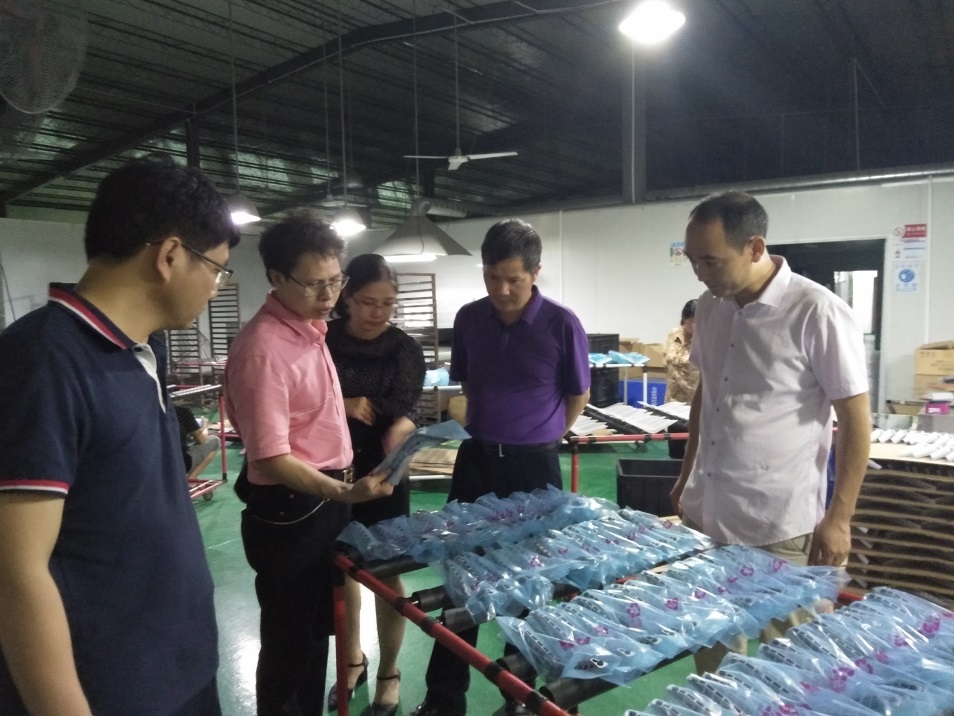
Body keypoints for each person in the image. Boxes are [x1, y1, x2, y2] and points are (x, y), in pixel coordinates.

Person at [0, 156, 238, 715]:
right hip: (111, 688)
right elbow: (15, 571)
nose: (215, 287)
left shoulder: (141, 350)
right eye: (216, 269)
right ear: (169, 256)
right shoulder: (43, 361)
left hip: (177, 667)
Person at [669, 190, 871, 673]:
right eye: (693, 261)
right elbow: (706, 396)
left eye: (711, 261)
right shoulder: (710, 305)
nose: (700, 273)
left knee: (794, 662)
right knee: (715, 652)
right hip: (708, 514)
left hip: (777, 524)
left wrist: (840, 517)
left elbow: (856, 417)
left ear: (755, 248)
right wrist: (686, 476)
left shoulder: (816, 311)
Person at [410, 219, 591, 716]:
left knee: (531, 582)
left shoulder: (561, 324)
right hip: (477, 462)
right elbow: (468, 386)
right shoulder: (470, 319)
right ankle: (444, 698)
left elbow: (577, 394)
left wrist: (543, 435)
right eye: (492, 277)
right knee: (459, 578)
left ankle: (520, 697)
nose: (502, 289)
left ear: (535, 272)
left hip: (535, 468)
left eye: (513, 279)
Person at [224, 212, 394, 716]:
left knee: (318, 632)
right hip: (292, 510)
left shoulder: (308, 330)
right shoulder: (264, 348)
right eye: (315, 284)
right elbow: (270, 457)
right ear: (276, 278)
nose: (329, 295)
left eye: (336, 280)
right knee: (290, 646)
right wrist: (342, 491)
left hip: (321, 504)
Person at [324, 253, 426, 716]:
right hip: (331, 469)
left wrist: (404, 424)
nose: (378, 313)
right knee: (342, 566)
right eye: (368, 302)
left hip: (385, 470)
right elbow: (303, 395)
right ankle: (351, 660)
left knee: (386, 569)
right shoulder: (322, 339)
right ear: (346, 297)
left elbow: (405, 405)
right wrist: (341, 403)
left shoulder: (405, 349)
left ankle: (389, 672)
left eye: (387, 303)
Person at [664, 299, 699, 459]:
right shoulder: (673, 335)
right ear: (685, 319)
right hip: (672, 402)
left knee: (695, 452)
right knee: (675, 451)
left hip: (695, 403)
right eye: (693, 321)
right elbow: (667, 358)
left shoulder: (705, 339)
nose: (697, 325)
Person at [174, 404, 222, 481]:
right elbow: (201, 439)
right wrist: (205, 426)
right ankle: (191, 479)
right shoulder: (182, 412)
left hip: (155, 465)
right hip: (178, 465)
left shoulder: (153, 413)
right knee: (215, 441)